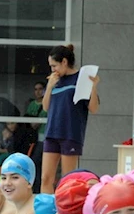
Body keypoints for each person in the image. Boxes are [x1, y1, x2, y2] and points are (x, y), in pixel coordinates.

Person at [41, 44, 100, 194]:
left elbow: (93, 108)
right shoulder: (55, 80)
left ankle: (65, 213)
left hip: (70, 134)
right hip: (52, 133)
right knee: (46, 178)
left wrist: (93, 87)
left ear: (64, 62)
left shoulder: (81, 78)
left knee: (68, 179)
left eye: (54, 65)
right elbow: (46, 107)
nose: (52, 69)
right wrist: (49, 87)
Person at [25, 81, 48, 192]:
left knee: (40, 162)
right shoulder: (32, 104)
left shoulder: (47, 103)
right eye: (36, 89)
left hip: (45, 136)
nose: (38, 92)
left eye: (40, 89)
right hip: (34, 137)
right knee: (34, 162)